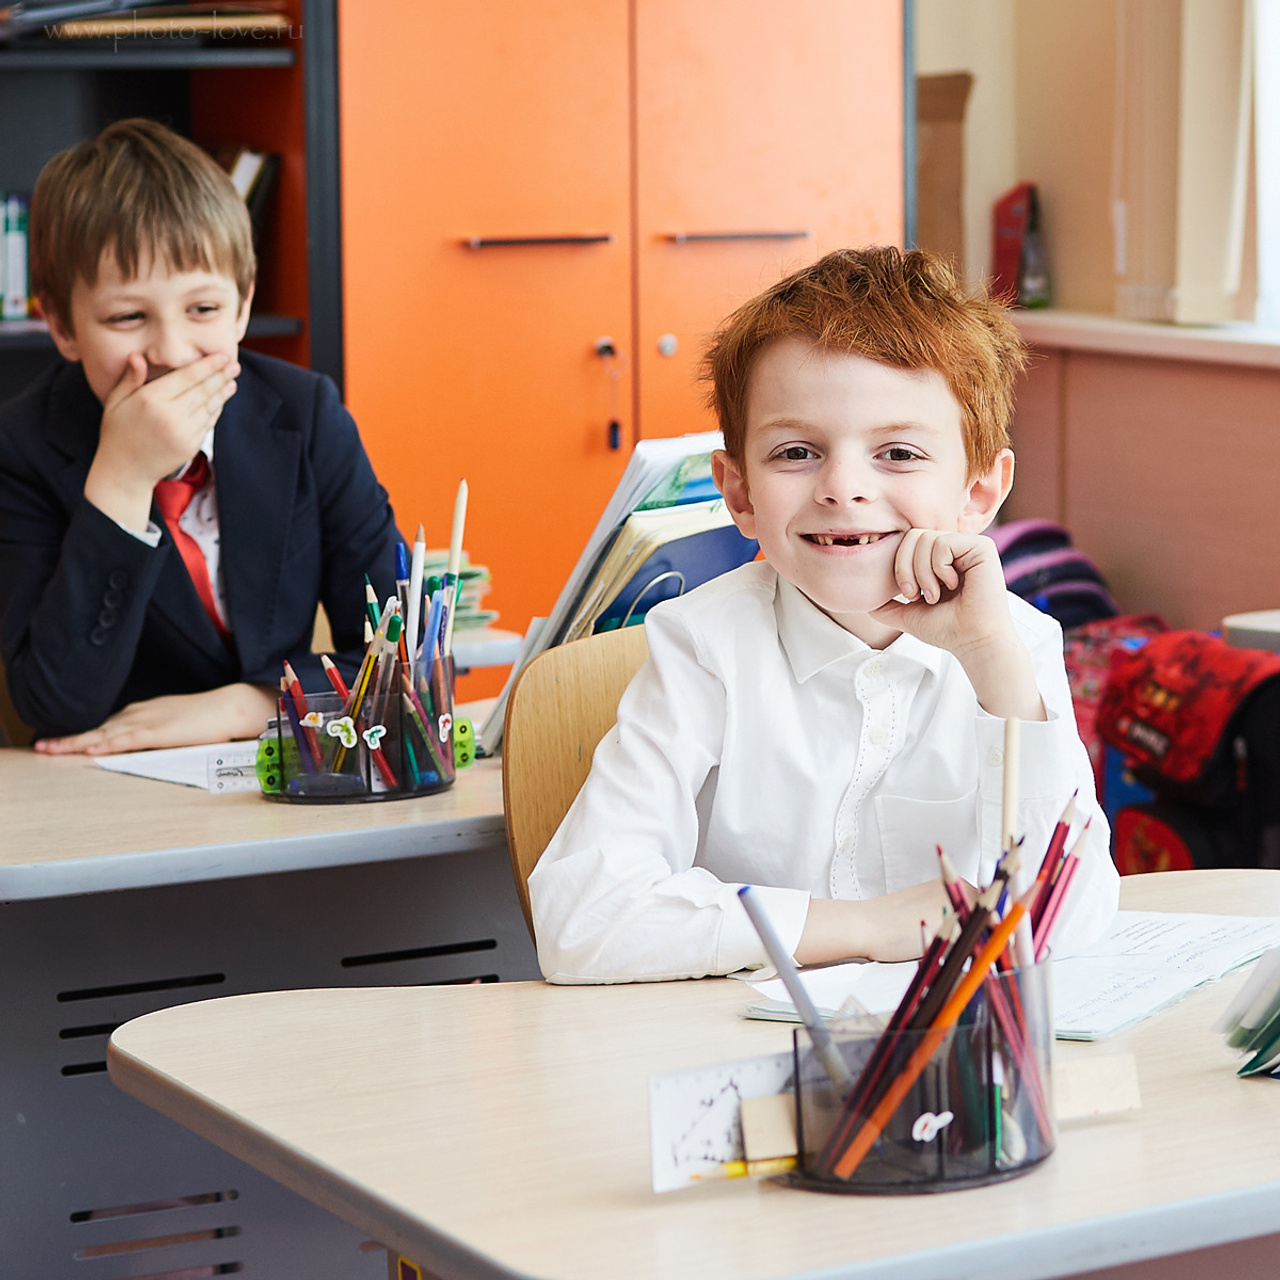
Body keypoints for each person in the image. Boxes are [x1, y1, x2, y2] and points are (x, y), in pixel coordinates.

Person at [529, 246, 1119, 983]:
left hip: (952, 1067)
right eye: (798, 451)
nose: (843, 487)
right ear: (738, 492)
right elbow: (582, 920)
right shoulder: (705, 646)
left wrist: (998, 674)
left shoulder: (1015, 644)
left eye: (898, 452)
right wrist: (874, 925)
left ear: (978, 492)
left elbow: (1072, 914)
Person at [0, 118, 402, 752]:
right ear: (62, 325)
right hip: (108, 805)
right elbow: (55, 702)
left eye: (204, 310)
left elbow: (401, 656)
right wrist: (123, 479)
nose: (172, 351)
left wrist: (256, 703)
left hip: (290, 769)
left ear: (243, 304)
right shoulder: (21, 446)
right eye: (128, 317)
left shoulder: (306, 414)